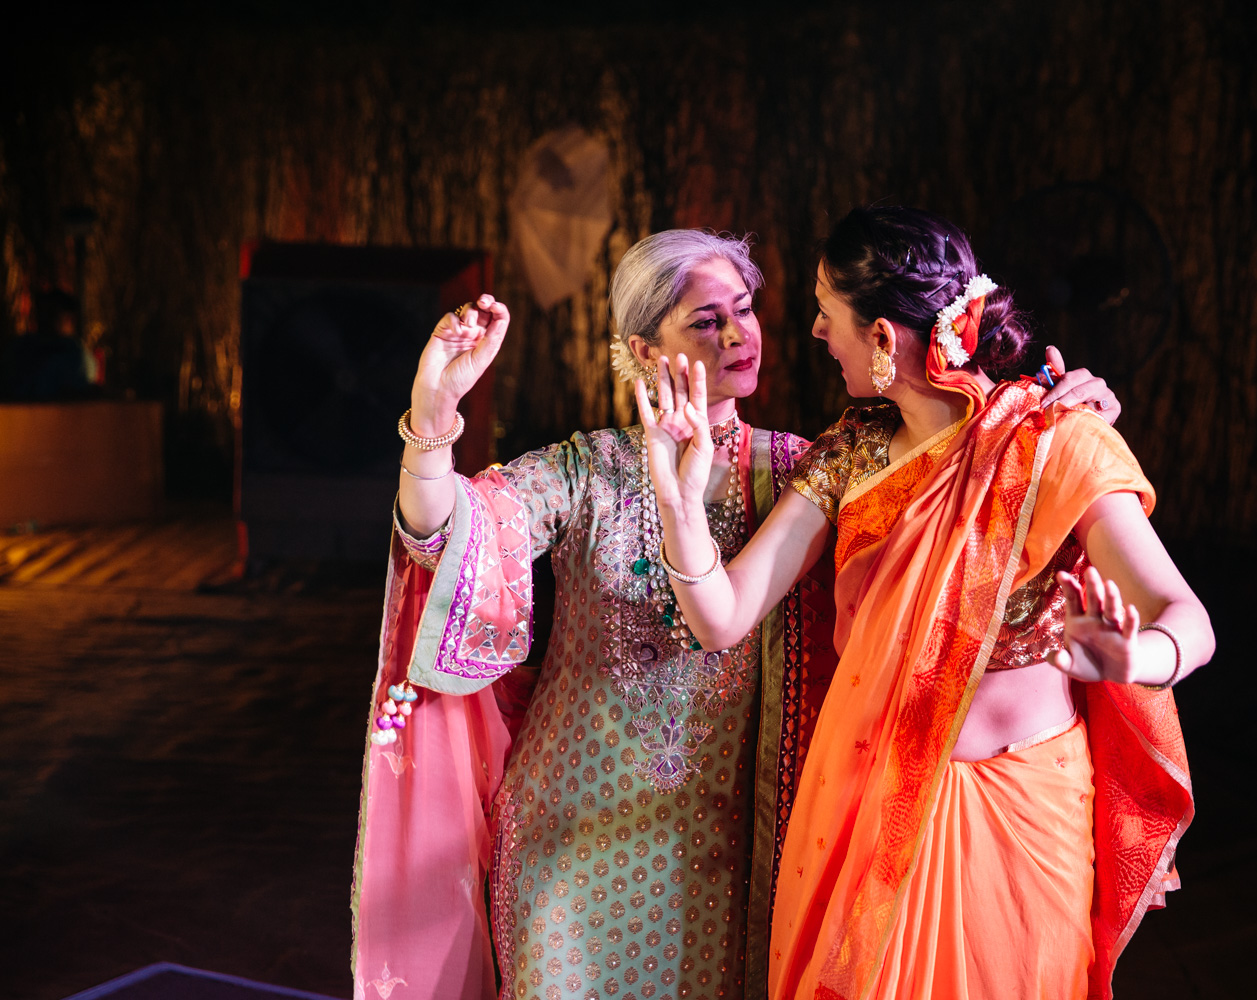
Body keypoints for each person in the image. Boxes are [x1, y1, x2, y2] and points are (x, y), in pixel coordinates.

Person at [349, 228, 1121, 1000]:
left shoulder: (808, 467)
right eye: (705, 320)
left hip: (740, 847)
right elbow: (441, 537)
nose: (737, 335)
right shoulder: (586, 472)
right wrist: (433, 418)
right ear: (644, 349)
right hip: (572, 839)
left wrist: (1052, 419)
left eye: (744, 310)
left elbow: (954, 474)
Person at [639, 207, 1213, 1000]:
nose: (812, 330)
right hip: (870, 805)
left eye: (826, 312)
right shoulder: (852, 453)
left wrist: (1132, 658)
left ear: (880, 339)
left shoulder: (1052, 439)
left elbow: (1188, 619)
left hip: (1023, 819)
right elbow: (721, 616)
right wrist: (678, 501)